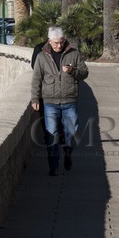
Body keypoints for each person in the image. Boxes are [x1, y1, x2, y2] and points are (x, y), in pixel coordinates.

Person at [31, 24, 88, 176]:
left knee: (72, 132)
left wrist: (72, 70)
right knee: (52, 135)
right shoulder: (41, 56)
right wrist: (35, 98)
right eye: (56, 43)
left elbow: (84, 73)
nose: (59, 45)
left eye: (61, 42)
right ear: (49, 41)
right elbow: (36, 79)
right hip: (50, 103)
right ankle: (53, 166)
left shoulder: (74, 54)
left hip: (69, 101)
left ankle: (68, 153)